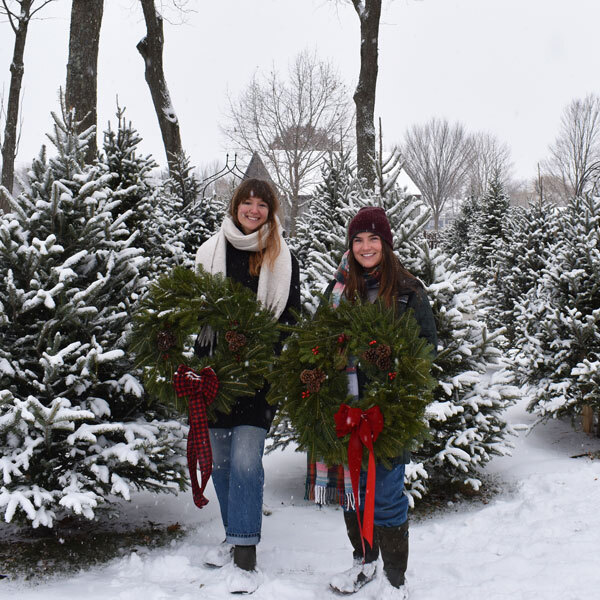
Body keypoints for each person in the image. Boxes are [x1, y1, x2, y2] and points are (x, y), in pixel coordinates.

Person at [318, 206, 437, 599]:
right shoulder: (338, 292)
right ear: (350, 246)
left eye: (373, 240)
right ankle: (364, 563)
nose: (365, 247)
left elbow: (426, 351)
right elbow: (316, 343)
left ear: (386, 244)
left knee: (385, 494)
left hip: (388, 415)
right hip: (347, 413)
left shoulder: (407, 291)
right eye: (358, 240)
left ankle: (394, 580)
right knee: (353, 490)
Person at [194, 178, 300, 594]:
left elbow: (289, 314)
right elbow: (192, 308)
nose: (253, 210)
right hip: (215, 375)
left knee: (244, 461)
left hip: (258, 376)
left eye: (261, 204)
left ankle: (245, 554)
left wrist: (257, 348)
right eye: (246, 203)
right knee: (218, 461)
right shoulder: (209, 251)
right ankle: (231, 534)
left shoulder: (281, 256)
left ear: (270, 210)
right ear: (236, 206)